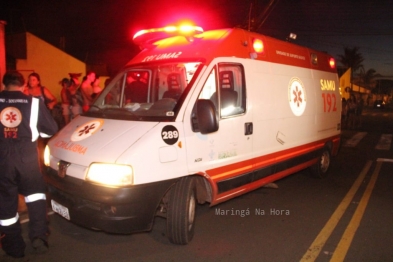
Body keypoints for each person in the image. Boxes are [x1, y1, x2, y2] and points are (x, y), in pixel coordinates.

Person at [0, 71, 58, 259]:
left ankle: (14, 246)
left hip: (2, 159)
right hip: (27, 158)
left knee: (6, 203)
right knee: (35, 197)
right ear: (23, 85)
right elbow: (51, 130)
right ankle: (39, 237)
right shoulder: (34, 102)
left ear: (3, 86)